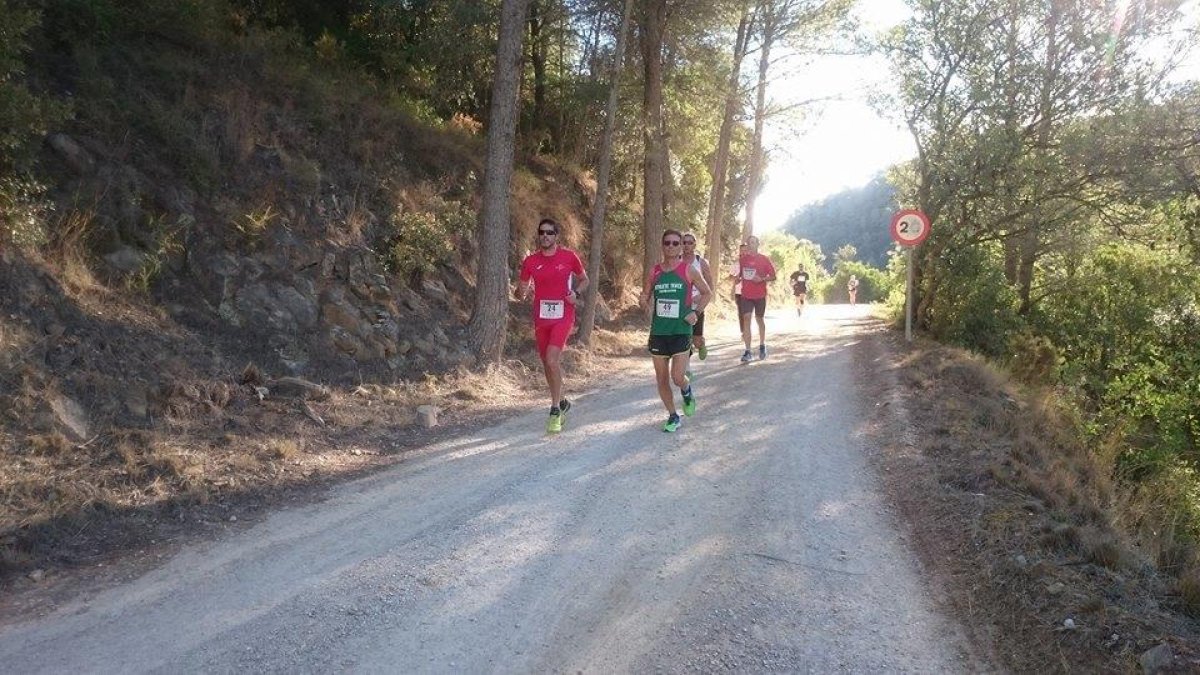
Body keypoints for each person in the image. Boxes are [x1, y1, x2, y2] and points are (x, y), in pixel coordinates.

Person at [518, 218, 588, 433]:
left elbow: (584, 280)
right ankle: (563, 400)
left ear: (557, 236)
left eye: (550, 233)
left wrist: (575, 293)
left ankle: (555, 409)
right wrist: (522, 292)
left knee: (551, 359)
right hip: (541, 318)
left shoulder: (568, 257)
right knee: (547, 364)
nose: (545, 236)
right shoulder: (530, 261)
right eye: (542, 232)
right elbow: (520, 290)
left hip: (563, 316)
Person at [641, 229, 712, 432]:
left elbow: (707, 293)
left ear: (681, 246)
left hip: (681, 330)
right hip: (659, 332)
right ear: (662, 245)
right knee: (661, 379)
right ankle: (673, 415)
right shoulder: (654, 271)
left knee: (677, 377)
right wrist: (643, 300)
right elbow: (646, 293)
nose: (671, 246)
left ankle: (686, 391)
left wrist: (696, 313)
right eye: (667, 243)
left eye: (675, 243)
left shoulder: (689, 270)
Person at [736, 235, 776, 363]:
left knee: (759, 319)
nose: (751, 244)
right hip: (746, 295)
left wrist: (762, 279)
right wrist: (738, 278)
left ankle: (762, 345)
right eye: (749, 243)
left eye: (753, 242)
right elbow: (741, 274)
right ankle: (747, 351)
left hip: (760, 295)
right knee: (746, 318)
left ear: (758, 244)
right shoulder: (743, 260)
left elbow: (773, 276)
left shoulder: (764, 259)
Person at [681, 232, 714, 362]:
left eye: (690, 243)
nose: (687, 245)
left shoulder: (701, 262)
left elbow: (710, 285)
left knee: (696, 340)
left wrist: (700, 296)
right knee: (683, 339)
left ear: (694, 244)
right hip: (682, 306)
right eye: (684, 242)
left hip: (697, 305)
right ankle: (685, 367)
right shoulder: (677, 260)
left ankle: (701, 344)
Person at [729, 242, 749, 339]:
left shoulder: (752, 264)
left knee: (747, 313)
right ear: (740, 251)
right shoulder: (736, 264)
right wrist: (735, 278)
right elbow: (730, 277)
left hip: (750, 292)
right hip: (739, 292)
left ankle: (746, 330)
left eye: (746, 250)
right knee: (741, 312)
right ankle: (743, 332)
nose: (744, 252)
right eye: (742, 250)